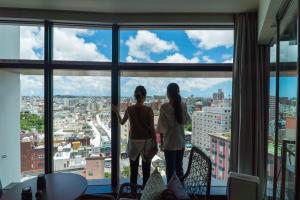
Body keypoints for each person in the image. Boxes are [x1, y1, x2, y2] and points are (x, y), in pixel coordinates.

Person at [112, 85, 157, 186]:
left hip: (134, 142)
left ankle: (133, 194)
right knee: (146, 172)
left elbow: (122, 122)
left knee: (133, 171)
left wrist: (115, 111)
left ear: (135, 96)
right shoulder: (149, 110)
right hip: (146, 142)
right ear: (145, 96)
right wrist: (155, 144)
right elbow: (152, 129)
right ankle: (145, 194)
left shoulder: (129, 109)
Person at [156, 83, 191, 183]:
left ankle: (171, 192)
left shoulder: (164, 107)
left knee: (170, 170)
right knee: (179, 169)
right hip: (181, 143)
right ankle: (180, 191)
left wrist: (162, 144)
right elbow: (187, 121)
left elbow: (161, 128)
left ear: (168, 93)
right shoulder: (183, 106)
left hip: (170, 143)